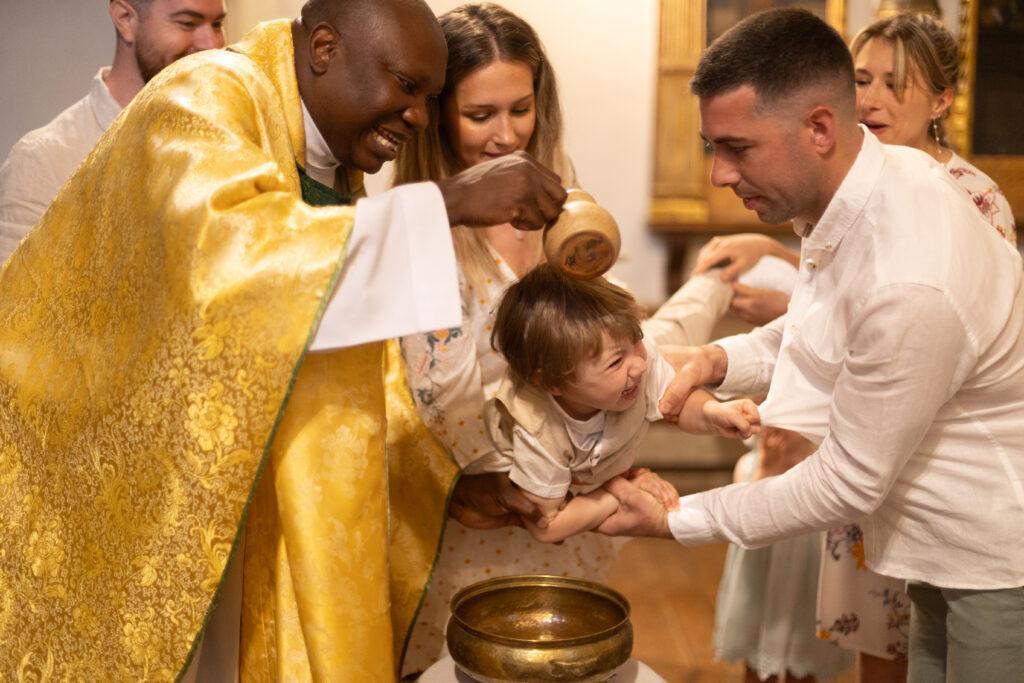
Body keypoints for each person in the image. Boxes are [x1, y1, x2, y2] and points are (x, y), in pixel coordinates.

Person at [0, 0, 574, 679]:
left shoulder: (332, 155)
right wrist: (447, 202)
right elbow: (233, 267)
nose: (419, 116)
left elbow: (348, 361)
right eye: (406, 87)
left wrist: (447, 484)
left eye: (428, 96)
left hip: (241, 498)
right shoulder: (205, 96)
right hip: (137, 498)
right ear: (324, 48)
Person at [598, 9, 1024, 683]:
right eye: (713, 148)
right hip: (938, 547)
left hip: (1000, 555)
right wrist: (718, 361)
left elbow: (847, 479)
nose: (718, 175)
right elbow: (821, 328)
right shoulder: (869, 188)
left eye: (738, 147)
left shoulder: (907, 269)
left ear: (820, 128)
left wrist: (676, 515)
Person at [390, 4, 734, 674]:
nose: (506, 135)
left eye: (520, 109)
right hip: (462, 519)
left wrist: (614, 459)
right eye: (480, 114)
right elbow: (413, 401)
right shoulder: (417, 229)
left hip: (566, 514)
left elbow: (606, 354)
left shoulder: (565, 214)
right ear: (437, 114)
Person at [486, 264, 759, 543]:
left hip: (661, 342)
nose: (638, 366)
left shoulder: (640, 358)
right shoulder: (539, 432)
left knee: (686, 319)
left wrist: (713, 411)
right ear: (553, 383)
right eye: (616, 362)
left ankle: (723, 271)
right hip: (554, 465)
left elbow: (676, 398)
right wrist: (620, 489)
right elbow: (548, 526)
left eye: (636, 339)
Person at [0, 0, 228, 263]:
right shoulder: (44, 163)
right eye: (187, 23)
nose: (212, 44)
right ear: (125, 18)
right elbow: (18, 301)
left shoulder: (230, 145)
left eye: (217, 24)